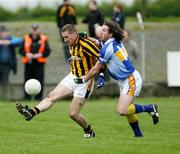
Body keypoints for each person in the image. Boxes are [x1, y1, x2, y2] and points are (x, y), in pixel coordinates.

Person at [16, 24, 105, 138]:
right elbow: (79, 56)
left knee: (73, 114)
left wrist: (101, 75)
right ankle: (32, 112)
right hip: (73, 76)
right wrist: (73, 59)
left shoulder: (86, 44)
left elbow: (102, 59)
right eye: (63, 37)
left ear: (74, 34)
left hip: (85, 82)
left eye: (67, 37)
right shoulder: (71, 42)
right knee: (51, 96)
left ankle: (88, 130)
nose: (65, 40)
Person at [74, 20, 159, 137]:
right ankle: (138, 136)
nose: (101, 32)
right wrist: (88, 37)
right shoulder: (112, 43)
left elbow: (95, 69)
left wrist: (83, 79)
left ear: (111, 33)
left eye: (104, 30)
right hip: (124, 80)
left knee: (122, 110)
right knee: (128, 109)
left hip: (130, 79)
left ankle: (150, 108)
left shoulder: (108, 48)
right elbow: (99, 43)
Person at [19, 24, 51, 100]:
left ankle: (38, 98)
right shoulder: (26, 38)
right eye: (33, 29)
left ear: (39, 30)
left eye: (36, 29)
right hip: (28, 63)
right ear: (31, 30)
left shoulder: (44, 38)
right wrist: (27, 54)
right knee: (27, 81)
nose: (34, 31)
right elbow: (20, 50)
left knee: (39, 81)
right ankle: (27, 98)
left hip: (39, 64)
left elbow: (48, 51)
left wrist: (41, 54)